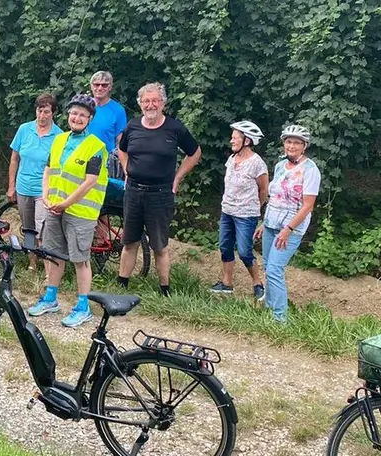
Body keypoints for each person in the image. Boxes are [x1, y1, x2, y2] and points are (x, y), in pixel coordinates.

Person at [28, 94, 108, 328]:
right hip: (55, 207)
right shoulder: (60, 139)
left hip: (80, 212)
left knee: (80, 260)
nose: (77, 117)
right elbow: (48, 170)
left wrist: (66, 203)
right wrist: (45, 195)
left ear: (90, 119)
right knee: (53, 254)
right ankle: (51, 297)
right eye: (74, 113)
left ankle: (83, 306)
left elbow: (90, 181)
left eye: (83, 115)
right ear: (68, 115)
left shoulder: (96, 147)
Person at [116, 82, 201, 297]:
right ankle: (121, 284)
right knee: (129, 241)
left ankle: (164, 290)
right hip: (134, 191)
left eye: (155, 100)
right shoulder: (133, 126)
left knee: (160, 245)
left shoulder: (175, 128)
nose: (150, 104)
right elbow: (121, 150)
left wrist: (178, 177)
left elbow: (195, 152)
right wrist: (127, 170)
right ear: (140, 104)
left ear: (163, 102)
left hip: (161, 194)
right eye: (146, 100)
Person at [261, 124, 321, 323]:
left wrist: (288, 229)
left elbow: (308, 206)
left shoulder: (310, 170)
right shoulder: (280, 166)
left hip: (290, 228)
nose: (292, 146)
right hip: (271, 223)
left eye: (297, 143)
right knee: (268, 267)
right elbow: (275, 196)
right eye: (288, 142)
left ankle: (280, 320)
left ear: (304, 146)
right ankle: (269, 310)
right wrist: (264, 222)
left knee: (275, 269)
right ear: (283, 144)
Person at [210, 120, 270, 300]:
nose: (231, 141)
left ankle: (258, 283)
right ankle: (226, 284)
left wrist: (255, 207)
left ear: (247, 141)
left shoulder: (257, 163)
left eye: (235, 138)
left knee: (244, 251)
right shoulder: (232, 158)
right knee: (225, 247)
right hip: (227, 211)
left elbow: (264, 190)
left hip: (246, 215)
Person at [7, 92, 63, 272]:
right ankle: (32, 263)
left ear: (53, 113)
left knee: (43, 228)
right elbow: (14, 159)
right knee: (28, 227)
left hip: (44, 190)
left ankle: (48, 269)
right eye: (40, 111)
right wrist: (11, 185)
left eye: (46, 112)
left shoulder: (59, 136)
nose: (42, 116)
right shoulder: (24, 129)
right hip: (23, 187)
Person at [87, 70, 128, 180]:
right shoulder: (83, 106)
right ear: (91, 86)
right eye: (96, 84)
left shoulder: (118, 110)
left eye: (104, 85)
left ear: (110, 87)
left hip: (105, 163)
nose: (100, 88)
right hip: (81, 158)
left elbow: (121, 141)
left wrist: (125, 169)